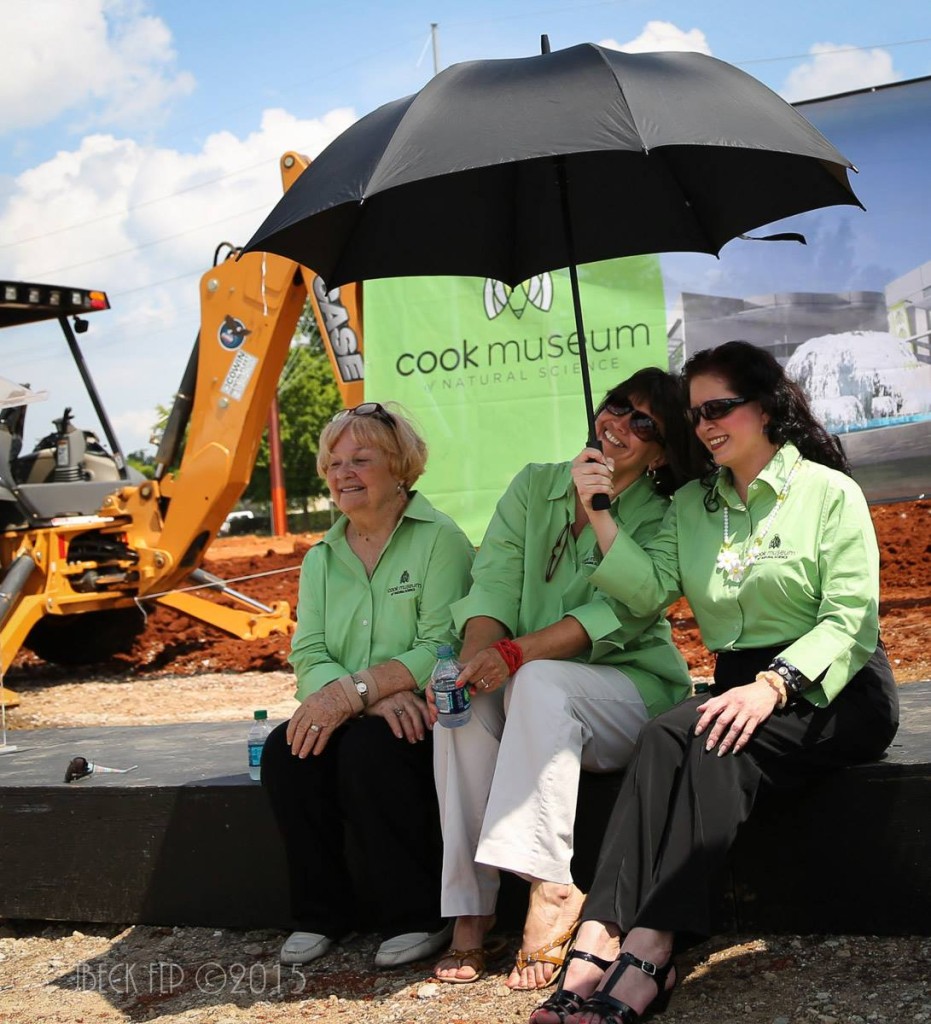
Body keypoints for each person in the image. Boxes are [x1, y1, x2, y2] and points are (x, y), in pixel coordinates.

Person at [531, 341, 900, 1024]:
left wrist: (772, 686)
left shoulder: (827, 491)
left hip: (832, 687)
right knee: (664, 736)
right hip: (735, 683)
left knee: (708, 741)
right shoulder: (692, 506)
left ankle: (651, 945)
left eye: (719, 408)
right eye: (695, 414)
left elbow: (850, 619)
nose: (703, 425)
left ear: (765, 407)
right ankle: (598, 931)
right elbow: (644, 594)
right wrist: (602, 514)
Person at [430, 368, 699, 991]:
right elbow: (493, 580)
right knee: (459, 712)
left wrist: (600, 506)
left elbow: (627, 608)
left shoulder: (665, 513)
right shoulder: (535, 485)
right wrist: (476, 663)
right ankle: (470, 912)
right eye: (616, 407)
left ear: (661, 451)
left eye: (644, 423)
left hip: (629, 695)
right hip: (530, 682)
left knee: (541, 681)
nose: (619, 425)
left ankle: (552, 890)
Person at [261, 402, 475, 969]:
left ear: (401, 466)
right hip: (364, 706)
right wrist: (356, 697)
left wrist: (360, 692)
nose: (342, 473)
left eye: (360, 459)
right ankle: (320, 914)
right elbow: (307, 651)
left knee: (369, 752)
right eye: (334, 464)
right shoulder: (321, 558)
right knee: (287, 752)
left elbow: (443, 645)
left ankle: (417, 915)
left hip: (427, 710)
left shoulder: (441, 540)